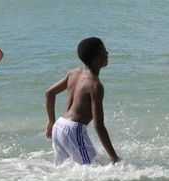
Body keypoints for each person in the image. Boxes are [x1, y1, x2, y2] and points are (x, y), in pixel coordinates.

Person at [45, 37, 119, 166]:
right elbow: (99, 126)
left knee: (64, 171)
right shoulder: (95, 86)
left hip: (59, 126)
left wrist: (51, 121)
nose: (107, 54)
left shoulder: (74, 72)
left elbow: (49, 93)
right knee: (91, 170)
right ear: (96, 60)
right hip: (73, 130)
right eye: (104, 51)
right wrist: (114, 157)